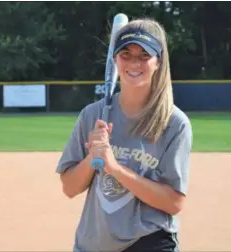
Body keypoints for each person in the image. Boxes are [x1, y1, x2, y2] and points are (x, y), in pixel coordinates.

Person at [56, 17, 193, 252]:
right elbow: (69, 187)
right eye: (126, 54)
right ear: (115, 59)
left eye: (144, 56)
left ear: (158, 62)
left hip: (149, 241)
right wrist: (93, 158)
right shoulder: (92, 115)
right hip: (95, 242)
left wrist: (115, 168)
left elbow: (174, 202)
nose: (134, 63)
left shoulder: (174, 123)